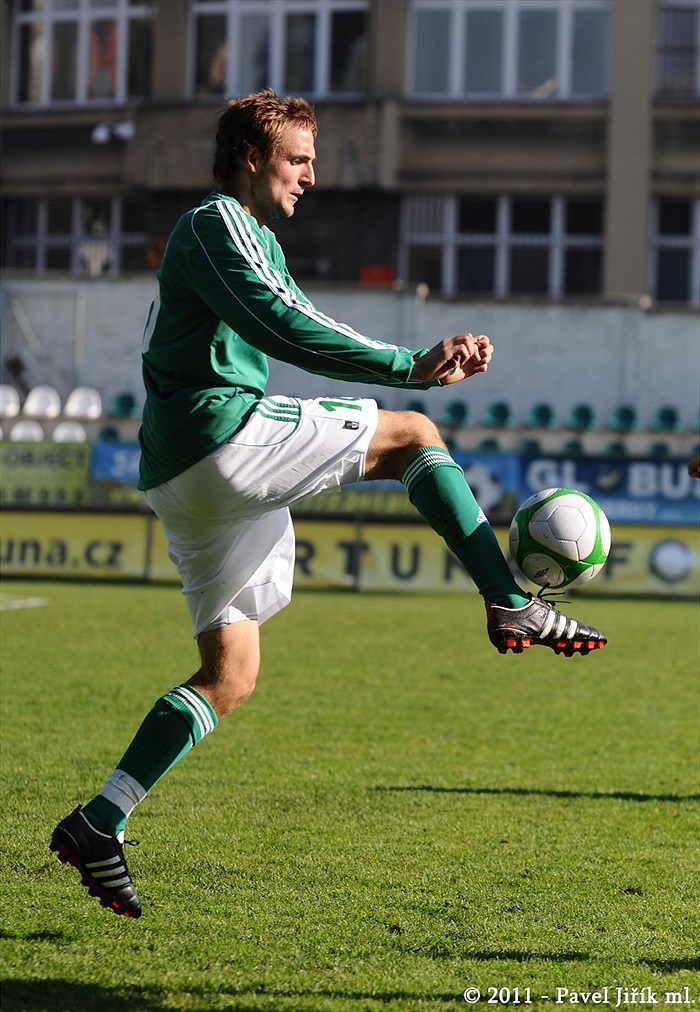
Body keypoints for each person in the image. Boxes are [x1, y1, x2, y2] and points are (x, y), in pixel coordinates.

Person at [50, 89, 605, 919]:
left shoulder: (248, 236)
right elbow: (284, 326)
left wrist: (406, 361)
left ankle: (102, 820)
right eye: (299, 159)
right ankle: (509, 599)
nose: (311, 176)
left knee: (231, 676)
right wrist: (408, 364)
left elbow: (295, 317)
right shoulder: (216, 224)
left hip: (182, 474)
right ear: (252, 158)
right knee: (413, 435)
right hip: (218, 437)